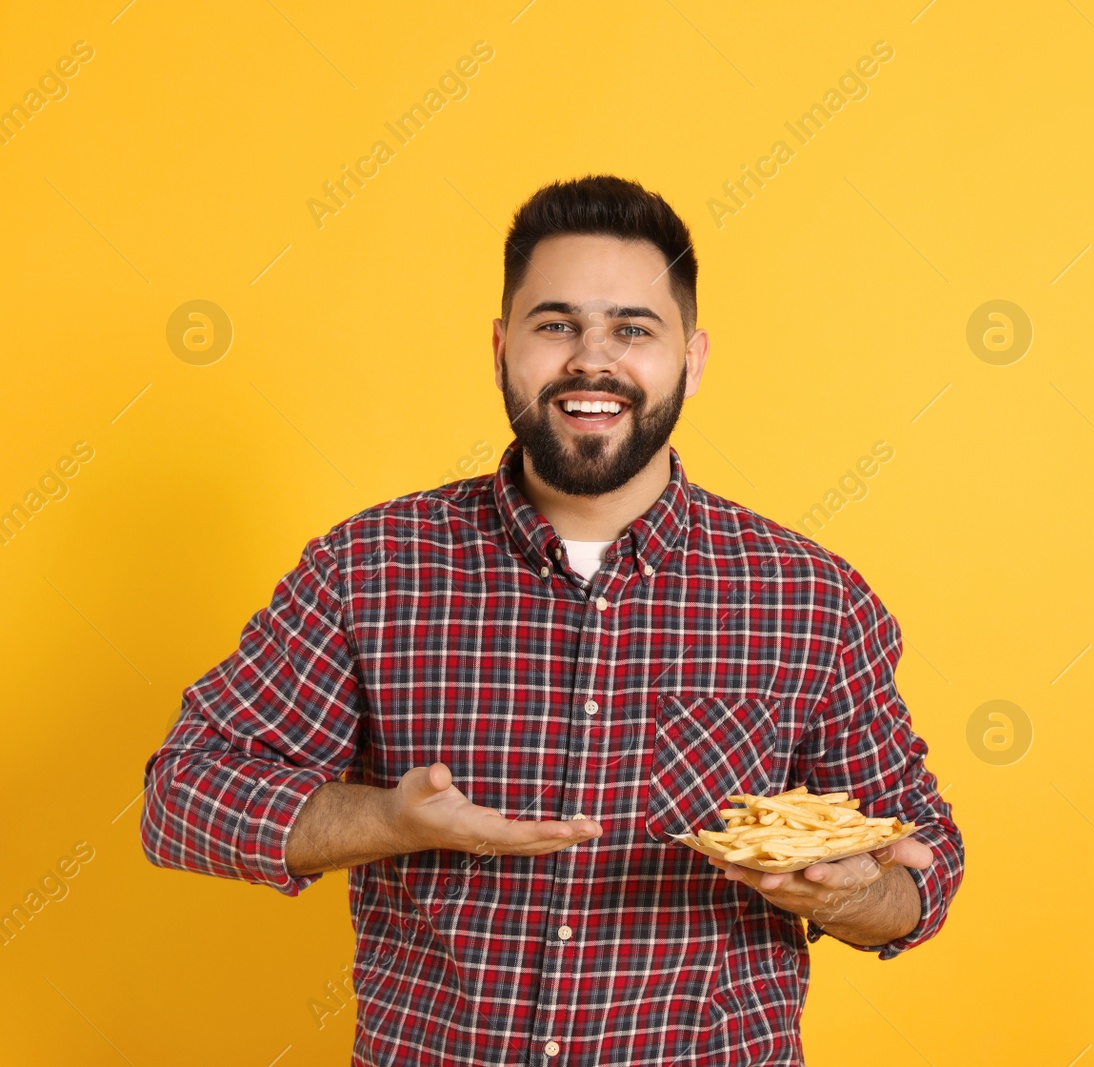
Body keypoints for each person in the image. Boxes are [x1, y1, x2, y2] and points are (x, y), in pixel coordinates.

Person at [140, 173, 963, 1066]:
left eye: (633, 329)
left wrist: (841, 895)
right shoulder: (370, 567)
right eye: (556, 324)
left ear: (692, 358)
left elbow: (924, 867)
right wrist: (392, 820)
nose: (591, 360)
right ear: (502, 347)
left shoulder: (811, 598)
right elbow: (181, 798)